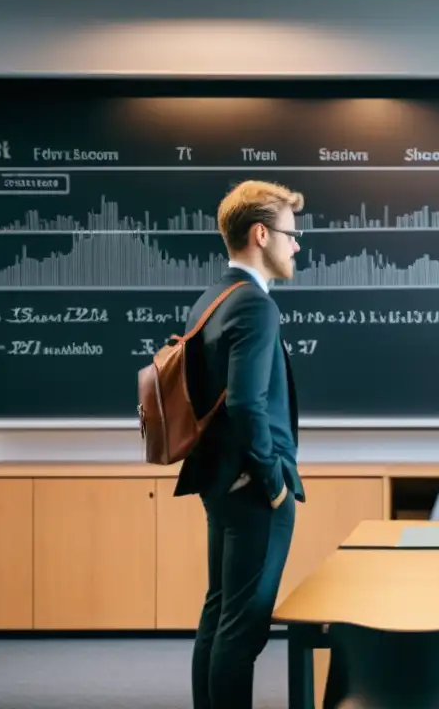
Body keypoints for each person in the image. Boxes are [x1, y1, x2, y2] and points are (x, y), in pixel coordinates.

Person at [173, 179, 307, 709]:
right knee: (243, 629)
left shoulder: (213, 297)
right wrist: (274, 481)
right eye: (290, 234)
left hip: (221, 480)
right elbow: (247, 404)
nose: (296, 245)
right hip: (254, 488)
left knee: (219, 614)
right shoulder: (255, 306)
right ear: (260, 234)